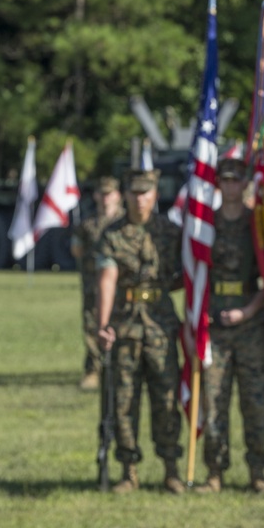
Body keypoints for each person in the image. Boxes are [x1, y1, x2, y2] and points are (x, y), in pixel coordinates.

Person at [96, 169, 185, 494]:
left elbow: (187, 272)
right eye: (134, 192)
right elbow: (107, 279)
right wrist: (104, 325)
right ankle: (128, 470)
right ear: (126, 195)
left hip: (161, 324)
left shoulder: (170, 231)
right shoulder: (113, 234)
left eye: (146, 192)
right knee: (124, 400)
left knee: (166, 398)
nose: (140, 199)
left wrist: (161, 290)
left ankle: (171, 468)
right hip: (125, 325)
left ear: (155, 194)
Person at [193, 159, 264, 497]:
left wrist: (248, 311)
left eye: (235, 180)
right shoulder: (204, 224)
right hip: (213, 325)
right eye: (224, 180)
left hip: (250, 324)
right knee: (214, 401)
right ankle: (214, 472)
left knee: (255, 402)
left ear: (244, 184)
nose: (229, 186)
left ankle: (258, 472)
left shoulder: (257, 224)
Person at [71, 175, 123, 391]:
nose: (105, 198)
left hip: (120, 286)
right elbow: (76, 250)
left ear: (117, 196)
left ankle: (119, 368)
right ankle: (93, 369)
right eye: (102, 194)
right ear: (95, 196)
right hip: (93, 284)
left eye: (109, 193)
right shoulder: (87, 225)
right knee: (92, 325)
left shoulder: (124, 223)